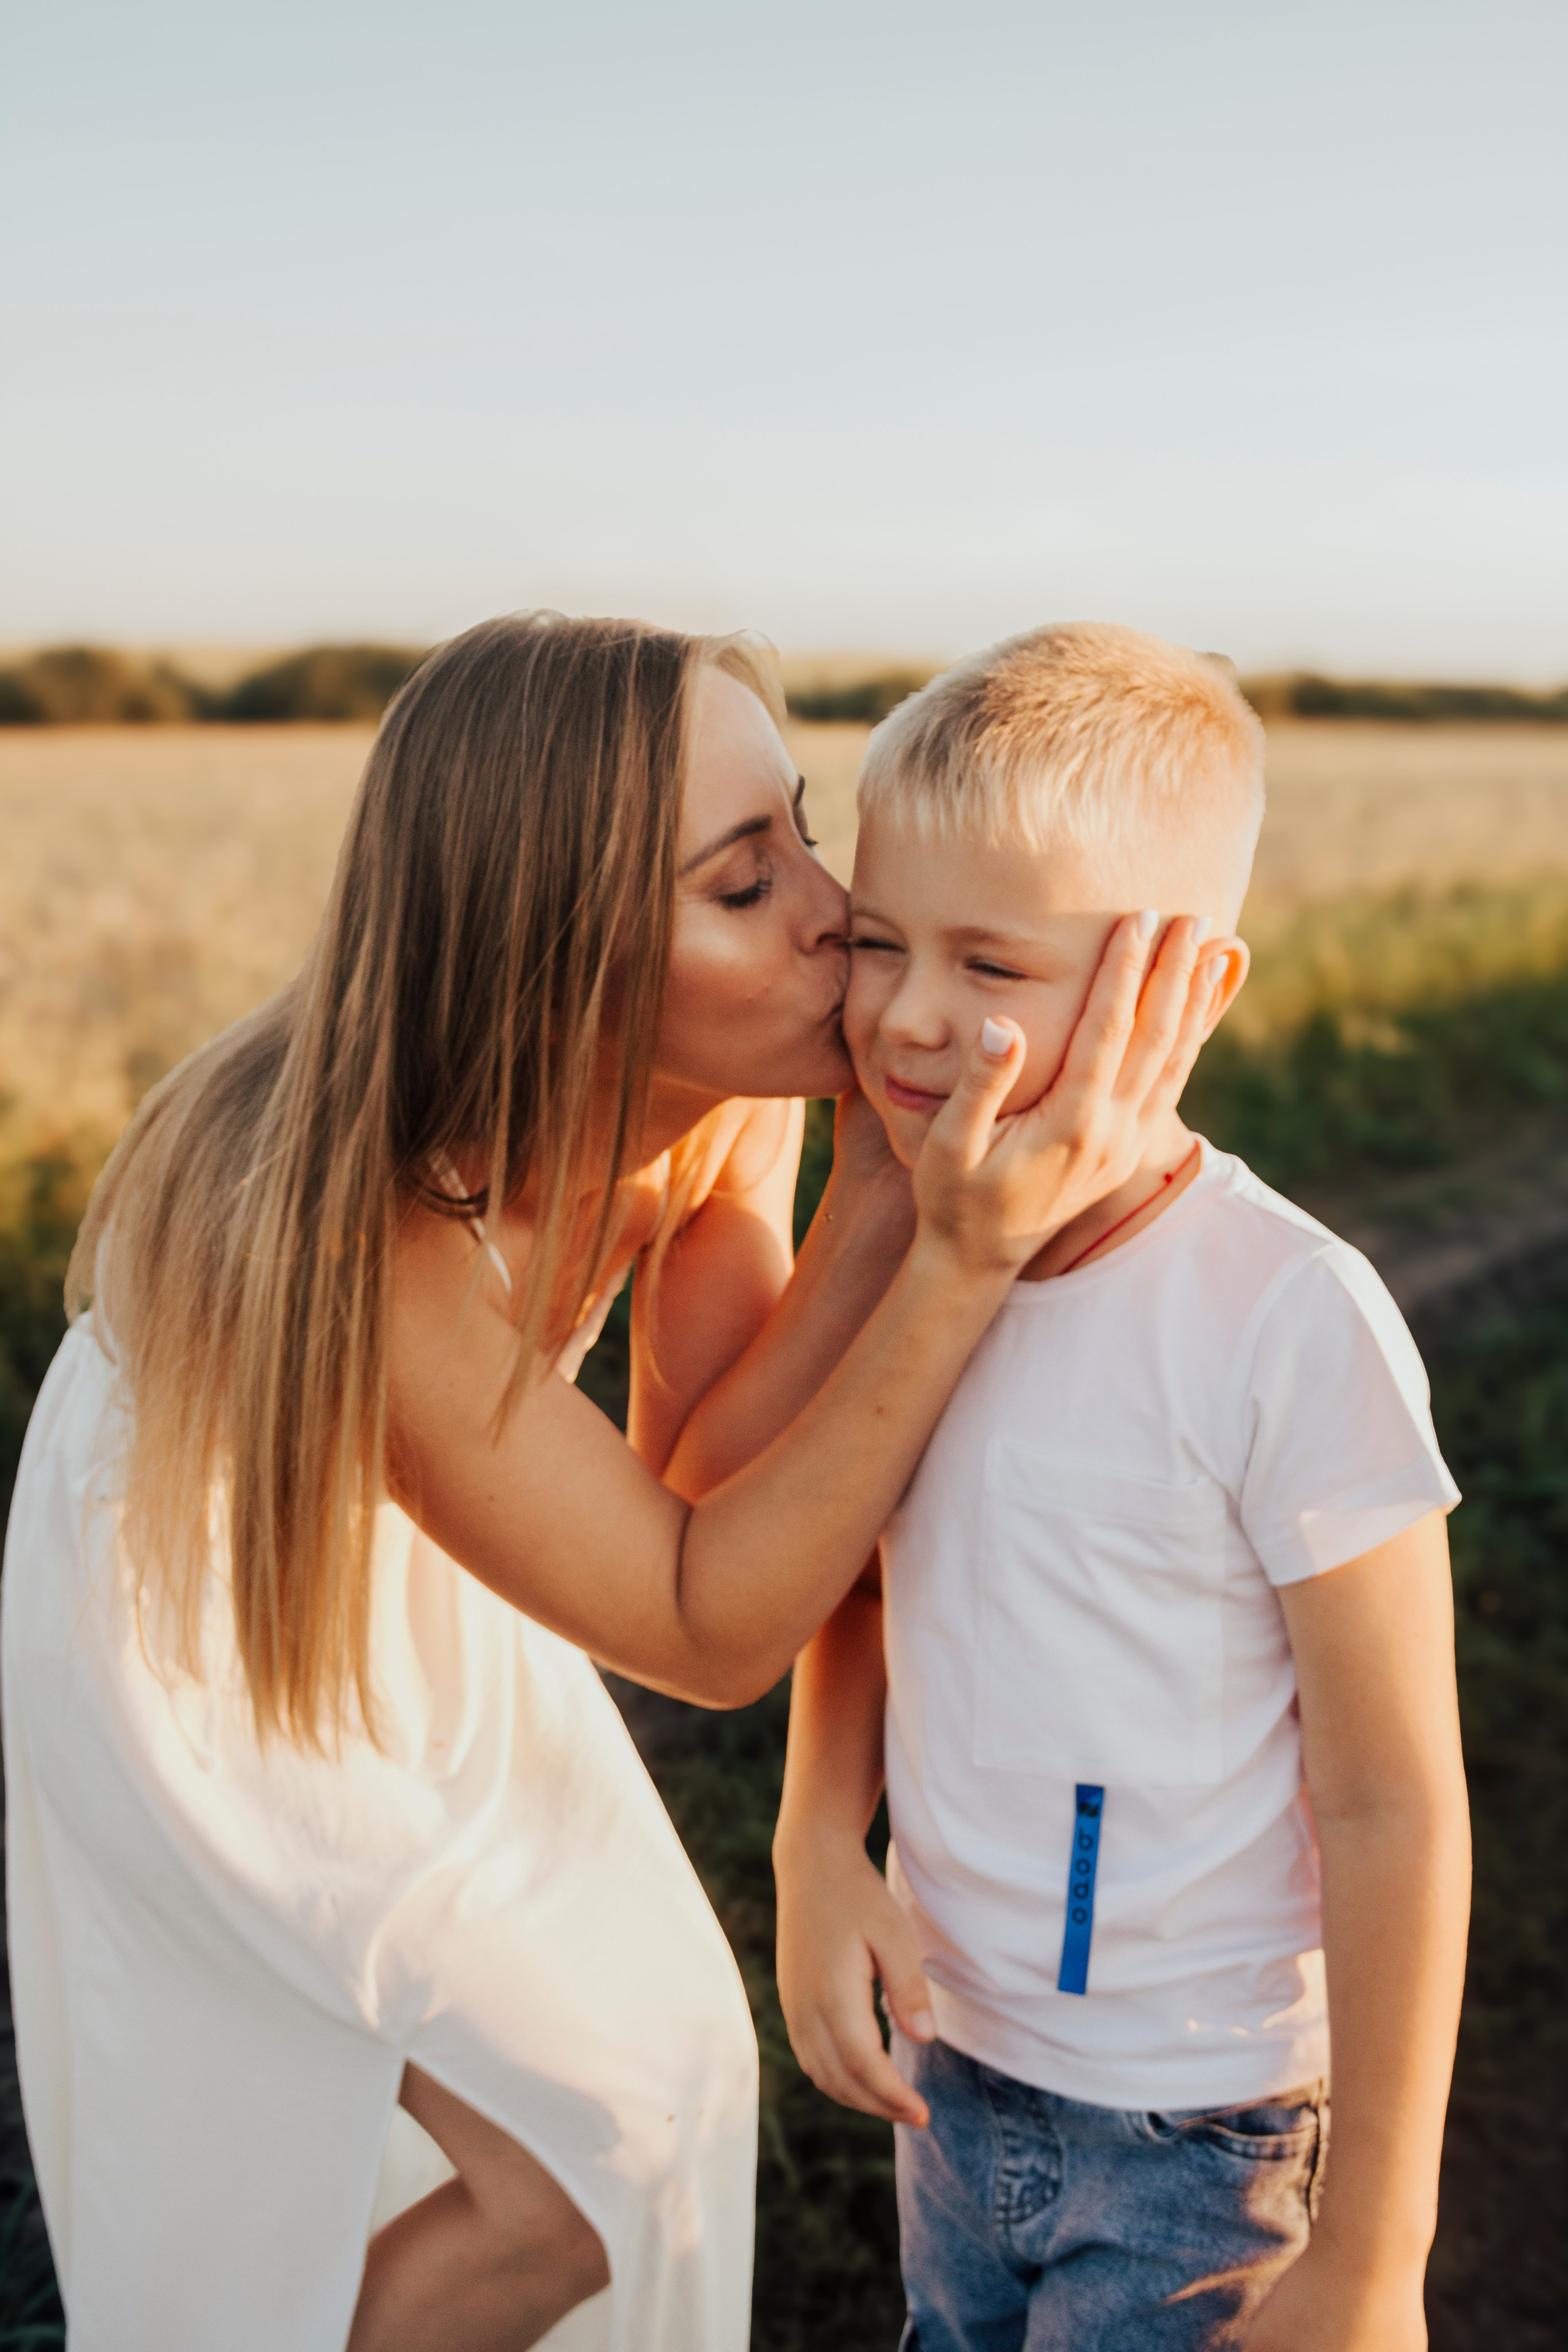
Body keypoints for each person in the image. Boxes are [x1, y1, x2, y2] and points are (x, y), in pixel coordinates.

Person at [1, 611, 1213, 2352]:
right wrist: (955, 1256)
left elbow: (713, 1472)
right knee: (580, 2142)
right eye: (742, 883)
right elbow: (703, 1631)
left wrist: (882, 1195)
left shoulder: (735, 1075)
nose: (830, 907)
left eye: (798, 824)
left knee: (667, 2071)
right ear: (553, 963)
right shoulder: (376, 1239)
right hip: (203, 1593)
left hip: (450, 1524)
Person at [774, 623, 1472, 2351]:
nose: (914, 1015)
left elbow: (1396, 1802)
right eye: (878, 943)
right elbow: (849, 1568)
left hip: (1199, 2134)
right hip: (955, 2077)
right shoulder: (914, 1258)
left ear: (1189, 991)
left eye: (993, 963)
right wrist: (812, 1839)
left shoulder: (1288, 1320)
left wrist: (1372, 2260)